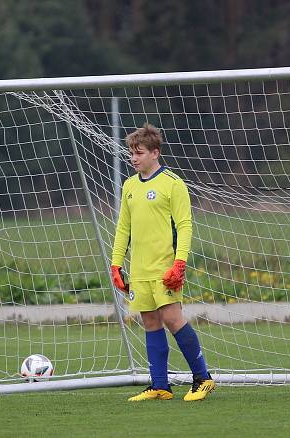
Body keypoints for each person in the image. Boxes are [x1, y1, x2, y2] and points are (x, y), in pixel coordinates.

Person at [110, 122, 215, 402]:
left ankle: (203, 378)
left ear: (155, 153)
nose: (133, 158)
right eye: (131, 153)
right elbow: (124, 228)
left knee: (172, 318)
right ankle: (160, 386)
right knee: (150, 321)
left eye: (139, 152)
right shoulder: (130, 186)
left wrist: (179, 264)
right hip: (139, 268)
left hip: (165, 267)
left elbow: (185, 226)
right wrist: (116, 264)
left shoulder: (173, 184)